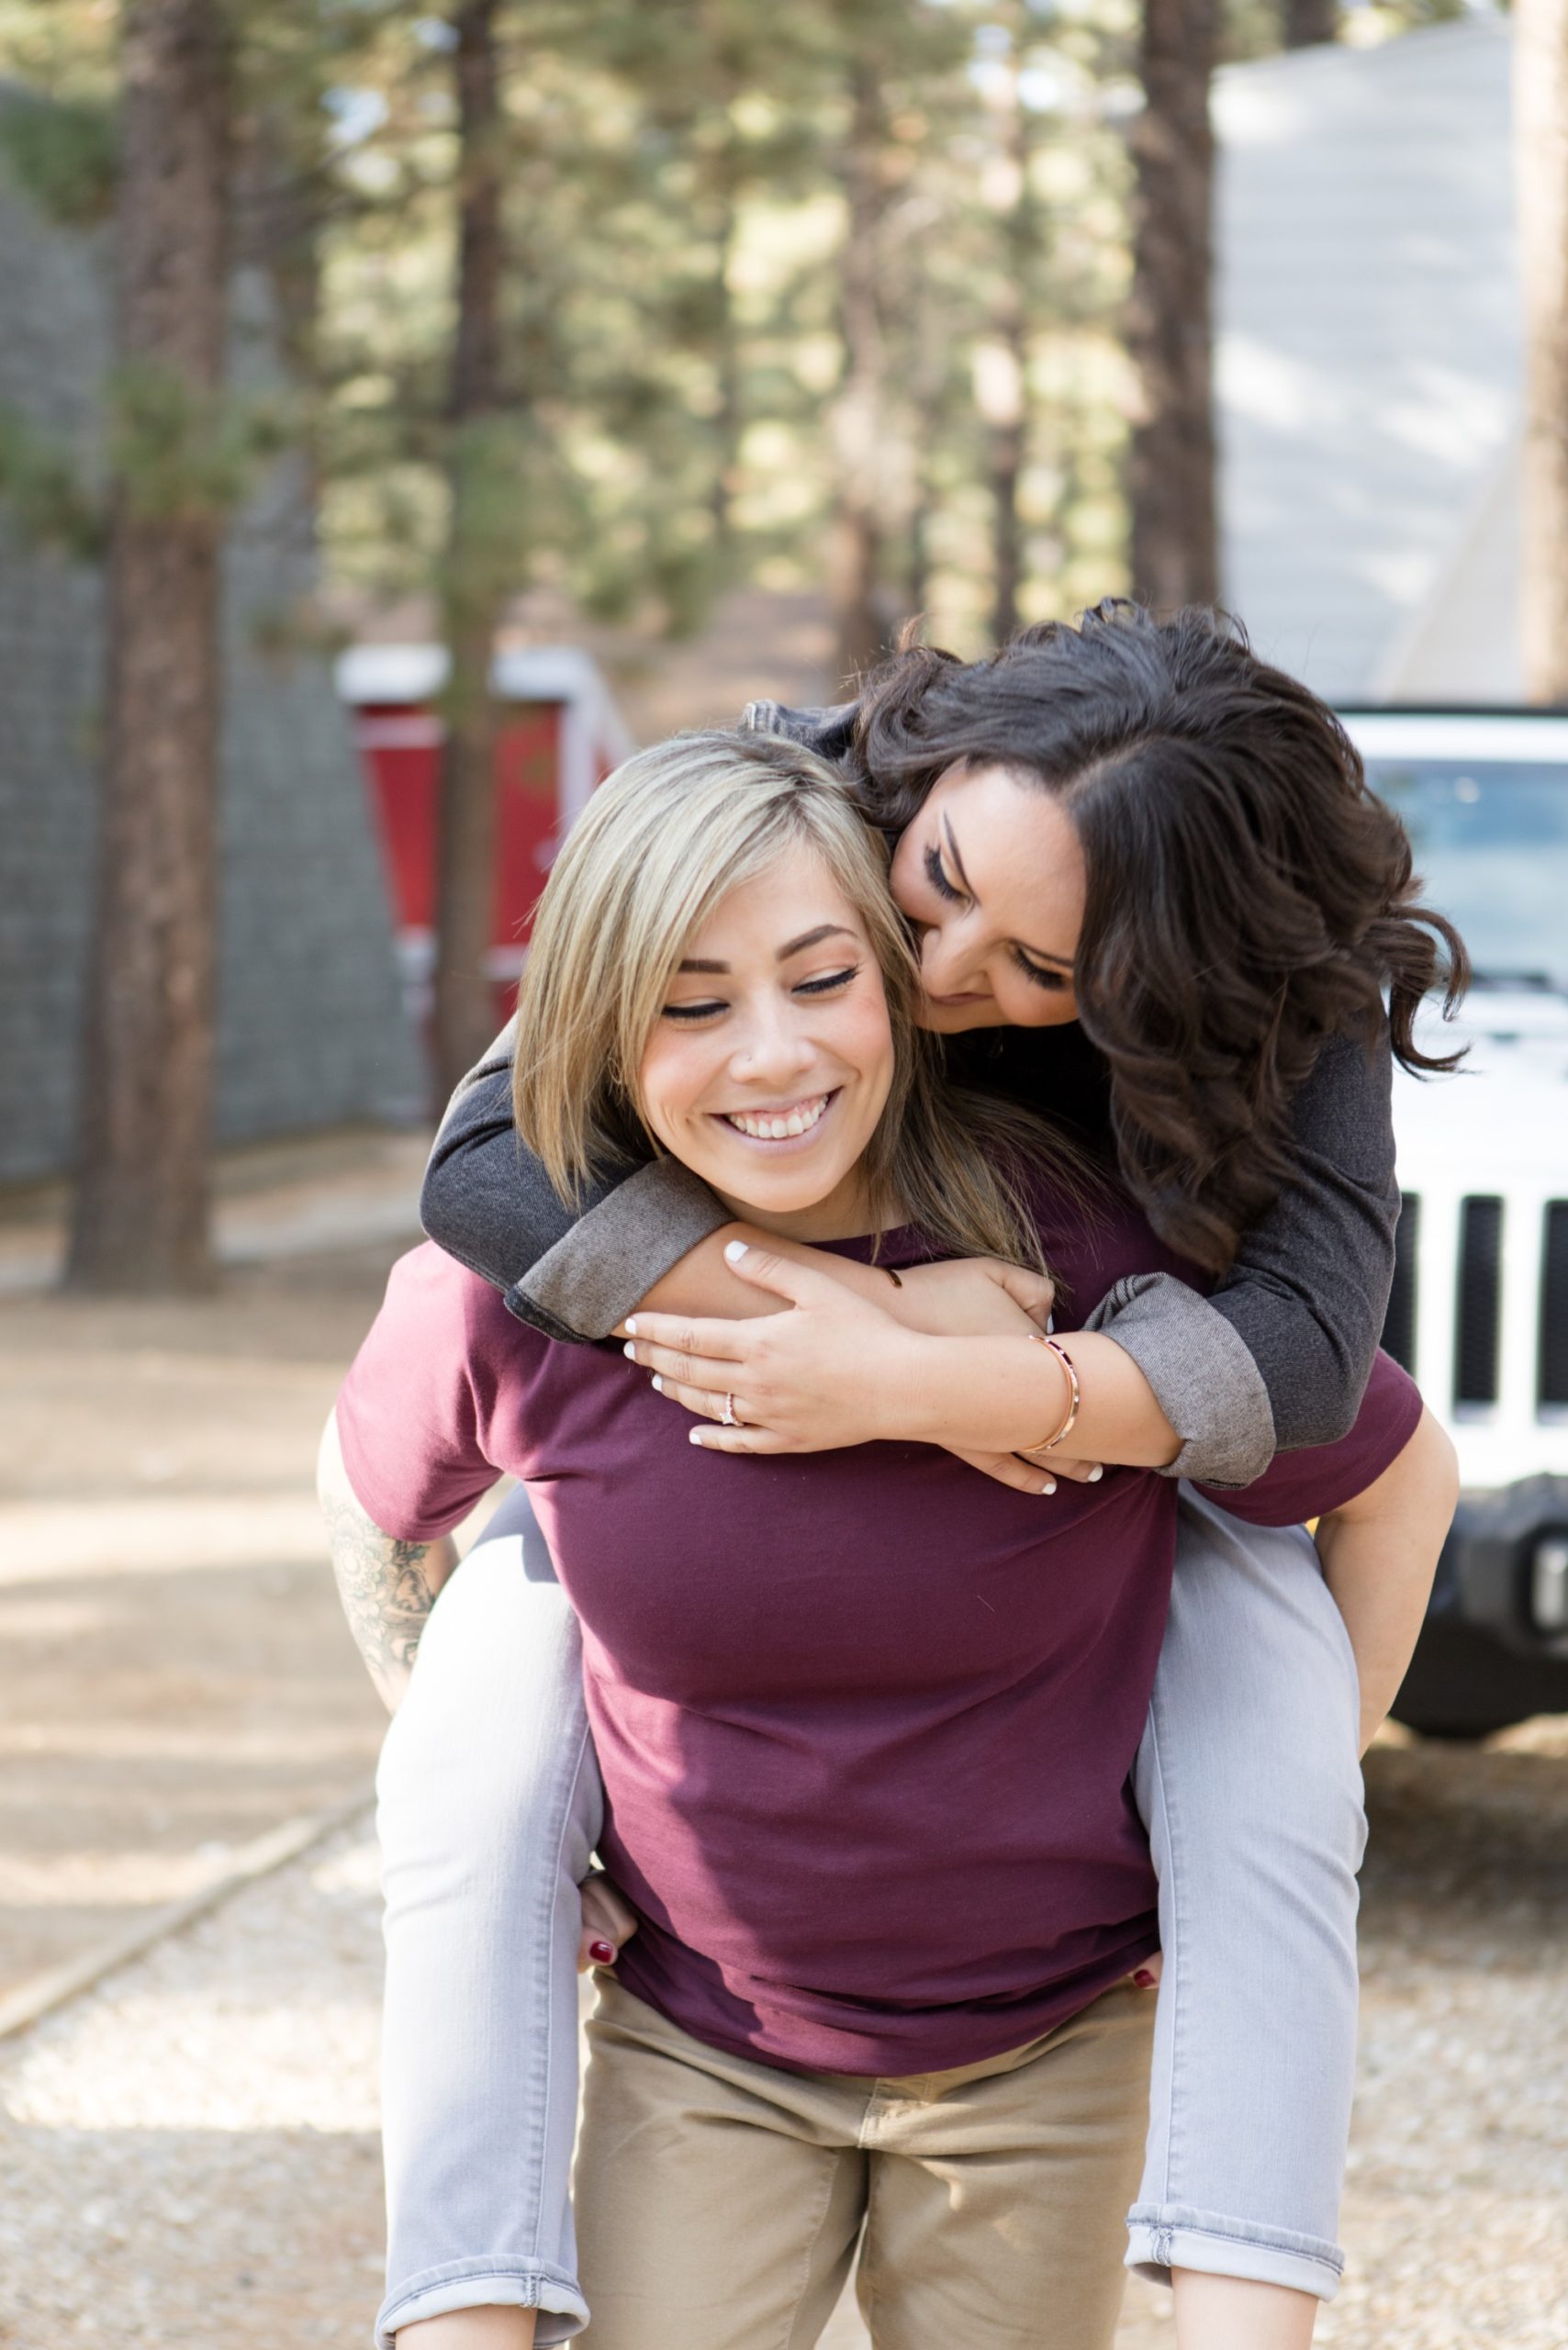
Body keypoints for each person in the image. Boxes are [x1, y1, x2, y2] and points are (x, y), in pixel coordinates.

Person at [322, 711, 1456, 2350]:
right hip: (708, 2046)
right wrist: (511, 1811)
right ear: (596, 1024)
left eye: (824, 978)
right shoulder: (531, 1286)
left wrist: (1251, 1825)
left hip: (1041, 2053)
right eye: (690, 1006)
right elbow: (371, 1515)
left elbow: (1389, 1469)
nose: (772, 1055)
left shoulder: (1090, 1267)